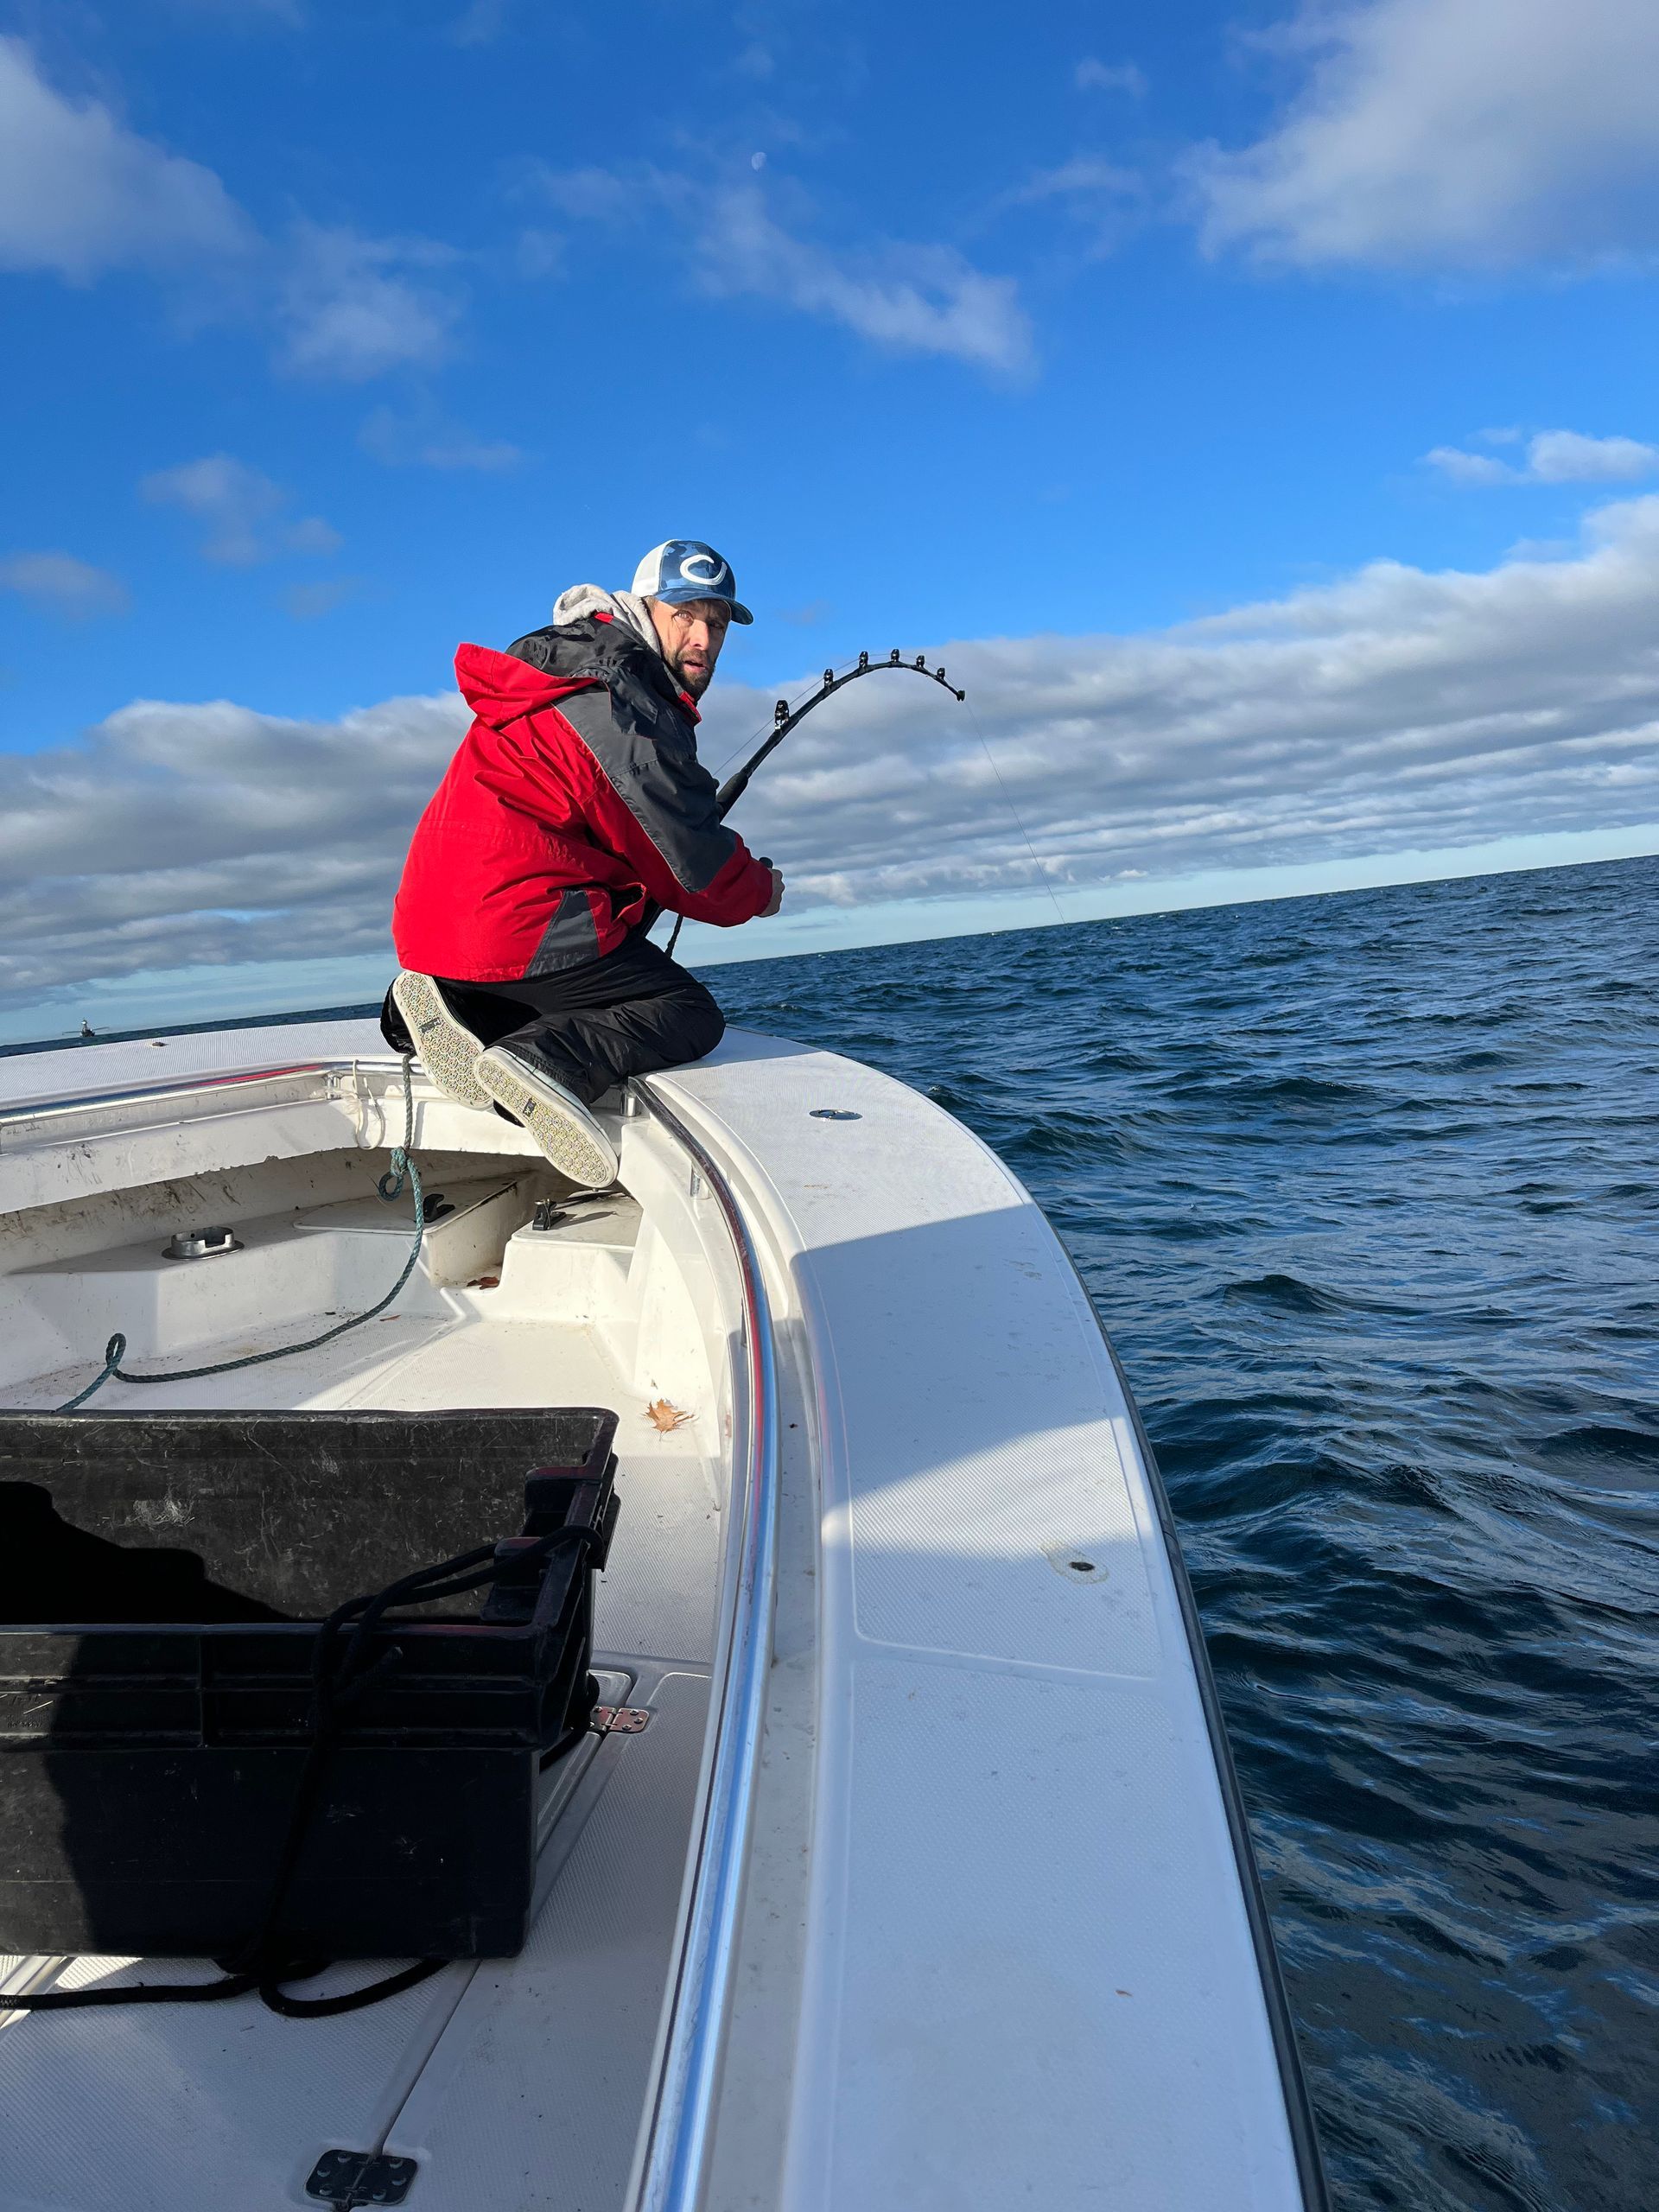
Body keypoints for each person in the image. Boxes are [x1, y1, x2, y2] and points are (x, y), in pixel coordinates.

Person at [382, 540, 784, 1187]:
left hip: (431, 926)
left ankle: (449, 1006)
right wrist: (761, 890)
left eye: (716, 623)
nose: (703, 639)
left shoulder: (565, 677)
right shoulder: (625, 710)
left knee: (599, 942)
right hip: (516, 921)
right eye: (684, 615)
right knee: (688, 1012)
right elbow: (693, 869)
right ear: (644, 608)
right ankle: (549, 1062)